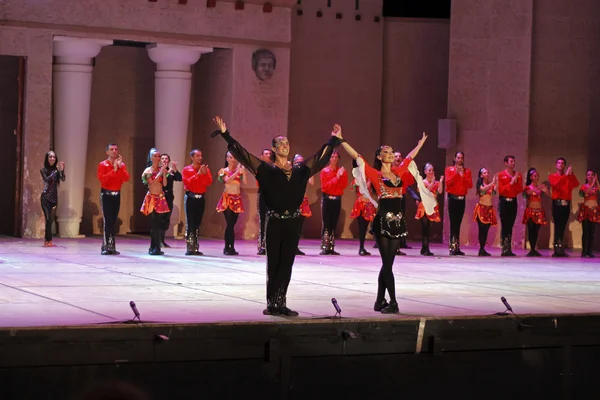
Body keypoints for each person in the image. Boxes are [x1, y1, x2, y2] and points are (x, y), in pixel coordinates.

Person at [213, 116, 343, 316]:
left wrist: (333, 140)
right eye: (280, 143)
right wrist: (225, 135)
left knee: (287, 263)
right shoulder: (265, 170)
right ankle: (272, 304)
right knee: (274, 263)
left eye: (287, 143)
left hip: (293, 222)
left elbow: (320, 158)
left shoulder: (300, 170)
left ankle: (281, 302)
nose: (284, 145)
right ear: (273, 149)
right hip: (274, 221)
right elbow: (244, 155)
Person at [338, 131, 428, 314]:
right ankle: (393, 301)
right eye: (387, 152)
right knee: (387, 264)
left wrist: (420, 143)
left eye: (391, 151)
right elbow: (357, 156)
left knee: (388, 264)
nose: (391, 154)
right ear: (380, 157)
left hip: (397, 223)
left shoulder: (399, 171)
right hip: (382, 223)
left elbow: (410, 158)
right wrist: (341, 139)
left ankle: (379, 301)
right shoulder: (375, 174)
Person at [97, 143, 130, 255]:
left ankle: (111, 246)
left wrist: (119, 168)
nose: (114, 151)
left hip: (117, 194)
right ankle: (107, 246)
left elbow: (125, 178)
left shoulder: (122, 165)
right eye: (111, 149)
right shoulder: (103, 164)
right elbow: (103, 180)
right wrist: (114, 170)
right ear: (107, 152)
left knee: (113, 220)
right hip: (106, 195)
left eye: (116, 149)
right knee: (108, 220)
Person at [182, 148, 213, 256]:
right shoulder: (187, 169)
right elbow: (187, 183)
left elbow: (208, 182)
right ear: (192, 157)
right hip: (190, 198)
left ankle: (195, 247)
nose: (200, 158)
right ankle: (190, 247)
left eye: (201, 156)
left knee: (197, 223)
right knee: (190, 222)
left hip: (201, 198)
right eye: (197, 156)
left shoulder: (205, 169)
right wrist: (198, 174)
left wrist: (204, 174)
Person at [216, 151, 248, 255]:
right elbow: (227, 180)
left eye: (234, 157)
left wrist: (243, 172)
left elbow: (245, 182)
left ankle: (231, 247)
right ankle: (227, 247)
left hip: (237, 198)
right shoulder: (223, 171)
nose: (232, 160)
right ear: (226, 158)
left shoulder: (239, 171)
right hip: (227, 198)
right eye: (230, 157)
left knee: (232, 224)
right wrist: (237, 172)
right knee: (229, 223)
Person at [141, 148, 170, 255]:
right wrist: (160, 173)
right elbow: (151, 183)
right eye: (156, 156)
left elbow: (165, 184)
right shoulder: (148, 171)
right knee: (154, 224)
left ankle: (157, 246)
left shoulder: (161, 169)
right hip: (152, 198)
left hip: (160, 197)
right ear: (151, 158)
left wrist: (163, 173)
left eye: (159, 156)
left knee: (159, 224)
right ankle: (153, 247)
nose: (158, 158)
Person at [548, 157, 579, 257]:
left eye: (562, 163)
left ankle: (561, 247)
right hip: (557, 203)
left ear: (564, 166)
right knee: (558, 226)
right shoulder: (553, 176)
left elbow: (576, 184)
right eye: (559, 163)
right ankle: (556, 248)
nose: (560, 165)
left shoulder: (568, 177)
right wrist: (565, 176)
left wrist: (571, 174)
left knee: (563, 226)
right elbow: (556, 184)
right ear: (556, 165)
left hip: (566, 203)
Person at [319, 150, 348, 255]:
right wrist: (337, 177)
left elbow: (343, 186)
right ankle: (325, 246)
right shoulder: (325, 171)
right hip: (327, 199)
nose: (334, 159)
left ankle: (331, 246)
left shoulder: (342, 171)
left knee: (334, 223)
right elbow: (325, 187)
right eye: (332, 157)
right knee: (326, 223)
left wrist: (340, 177)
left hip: (337, 199)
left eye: (336, 157)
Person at [444, 152, 473, 255]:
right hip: (453, 199)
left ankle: (456, 247)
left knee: (458, 223)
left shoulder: (467, 171)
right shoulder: (449, 170)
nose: (460, 159)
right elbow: (448, 183)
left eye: (461, 158)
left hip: (462, 199)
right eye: (458, 157)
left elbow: (469, 185)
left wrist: (462, 176)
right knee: (453, 223)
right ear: (455, 158)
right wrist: (456, 174)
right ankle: (452, 247)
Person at [496, 155, 523, 256]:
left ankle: (509, 248)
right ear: (506, 163)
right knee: (505, 224)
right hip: (503, 202)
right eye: (511, 161)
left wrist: (515, 182)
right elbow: (501, 190)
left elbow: (520, 189)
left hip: (513, 201)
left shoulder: (518, 175)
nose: (513, 163)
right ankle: (505, 247)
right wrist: (511, 182)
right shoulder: (500, 174)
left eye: (514, 161)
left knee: (510, 225)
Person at [392, 151, 419, 253]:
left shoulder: (404, 170)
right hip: (392, 197)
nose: (398, 158)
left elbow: (409, 184)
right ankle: (392, 245)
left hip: (401, 197)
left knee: (400, 221)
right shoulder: (390, 170)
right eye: (396, 156)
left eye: (400, 156)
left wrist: (408, 171)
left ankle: (399, 245)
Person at [414, 163, 443, 256]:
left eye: (432, 170)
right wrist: (432, 183)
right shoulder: (422, 182)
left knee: (429, 228)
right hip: (424, 207)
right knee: (425, 228)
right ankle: (425, 249)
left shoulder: (436, 182)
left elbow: (440, 191)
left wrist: (441, 181)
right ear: (425, 171)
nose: (431, 172)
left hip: (433, 206)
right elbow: (425, 192)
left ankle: (424, 248)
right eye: (429, 170)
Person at [40, 151, 65, 247]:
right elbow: (46, 180)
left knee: (51, 220)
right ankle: (47, 240)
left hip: (54, 198)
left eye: (54, 157)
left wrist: (62, 170)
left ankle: (48, 240)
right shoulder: (43, 170)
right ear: (47, 158)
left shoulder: (57, 171)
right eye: (50, 157)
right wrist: (55, 172)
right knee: (47, 219)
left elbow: (62, 179)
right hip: (45, 198)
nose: (52, 159)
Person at [522, 168, 548, 257]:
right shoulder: (528, 187)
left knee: (536, 231)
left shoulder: (540, 188)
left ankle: (534, 249)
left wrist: (545, 190)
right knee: (531, 230)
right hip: (530, 211)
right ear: (531, 177)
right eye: (535, 176)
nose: (537, 178)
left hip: (539, 211)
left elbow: (550, 195)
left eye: (538, 176)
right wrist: (537, 188)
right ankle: (532, 249)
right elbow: (528, 193)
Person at [473, 168, 498, 256]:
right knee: (481, 229)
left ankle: (483, 248)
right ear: (481, 175)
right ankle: (481, 248)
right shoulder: (480, 184)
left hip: (489, 209)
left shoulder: (490, 185)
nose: (487, 174)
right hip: (481, 209)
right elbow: (483, 190)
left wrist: (496, 185)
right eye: (484, 173)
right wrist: (492, 183)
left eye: (487, 172)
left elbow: (493, 194)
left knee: (486, 230)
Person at [159, 153, 182, 248]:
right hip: (160, 196)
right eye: (162, 158)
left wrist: (175, 169)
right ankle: (158, 241)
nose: (164, 160)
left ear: (168, 161)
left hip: (169, 196)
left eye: (166, 158)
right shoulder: (158, 170)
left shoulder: (171, 171)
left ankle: (162, 240)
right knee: (160, 219)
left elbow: (179, 178)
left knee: (166, 218)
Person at [294, 154, 314, 256]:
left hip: (304, 201)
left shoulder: (305, 173)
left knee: (300, 226)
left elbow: (312, 182)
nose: (300, 164)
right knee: (293, 225)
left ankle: (296, 247)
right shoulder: (292, 172)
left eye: (302, 162)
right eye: (298, 161)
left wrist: (309, 171)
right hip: (294, 201)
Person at [350, 177, 376, 256]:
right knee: (361, 227)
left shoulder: (371, 179)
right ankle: (361, 247)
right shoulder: (358, 178)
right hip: (360, 205)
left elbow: (376, 191)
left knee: (365, 227)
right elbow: (352, 187)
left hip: (369, 205)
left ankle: (363, 247)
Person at [577, 170, 599, 257]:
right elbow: (585, 193)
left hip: (594, 210)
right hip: (586, 210)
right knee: (585, 231)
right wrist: (593, 183)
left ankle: (590, 251)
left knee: (592, 232)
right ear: (586, 177)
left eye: (592, 175)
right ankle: (584, 251)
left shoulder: (596, 187)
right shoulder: (584, 186)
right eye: (588, 175)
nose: (590, 176)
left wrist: (596, 181)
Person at [257, 148, 272, 255]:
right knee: (263, 219)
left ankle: (270, 244)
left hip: (273, 195)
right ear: (261, 156)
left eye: (269, 154)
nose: (268, 155)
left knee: (271, 219)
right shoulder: (260, 168)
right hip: (263, 194)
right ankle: (262, 244)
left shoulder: (274, 167)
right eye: (266, 154)